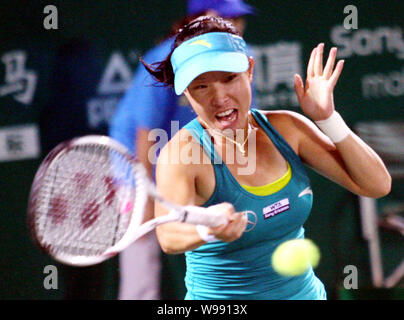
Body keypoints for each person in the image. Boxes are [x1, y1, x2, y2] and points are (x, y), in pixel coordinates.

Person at [143, 15, 392, 300]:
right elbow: (169, 236)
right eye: (201, 86)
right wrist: (208, 229)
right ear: (187, 93)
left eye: (229, 78)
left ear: (249, 71)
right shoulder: (182, 154)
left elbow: (376, 185)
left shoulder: (287, 129)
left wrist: (328, 119)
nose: (219, 96)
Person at [109, 0, 256, 300]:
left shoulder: (238, 56)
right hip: (137, 162)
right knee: (143, 258)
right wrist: (144, 192)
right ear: (200, 17)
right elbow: (145, 135)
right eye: (228, 16)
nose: (236, 25)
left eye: (239, 18)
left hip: (191, 156)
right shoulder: (166, 62)